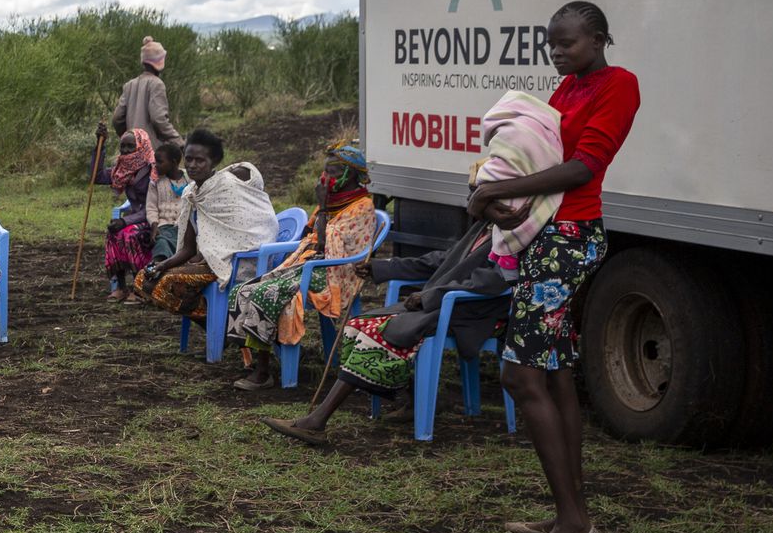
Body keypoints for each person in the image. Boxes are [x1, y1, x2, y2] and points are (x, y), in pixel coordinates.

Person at [468, 2, 639, 533]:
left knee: (520, 374)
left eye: (567, 43)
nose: (557, 53)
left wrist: (495, 194)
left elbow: (584, 167)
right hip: (546, 235)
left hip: (570, 237)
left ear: (599, 38)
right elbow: (531, 151)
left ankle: (574, 524)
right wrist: (494, 182)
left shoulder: (618, 86)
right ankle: (570, 511)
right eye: (552, 45)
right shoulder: (564, 91)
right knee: (556, 372)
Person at [263, 221, 510, 444]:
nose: (471, 200)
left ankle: (317, 421)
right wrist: (381, 268)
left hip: (471, 314)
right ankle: (414, 397)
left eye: (477, 194)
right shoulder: (483, 228)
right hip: (443, 307)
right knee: (357, 325)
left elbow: (491, 282)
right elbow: (439, 261)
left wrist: (429, 296)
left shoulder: (510, 238)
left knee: (376, 335)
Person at [224, 142, 377, 390]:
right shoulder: (332, 201)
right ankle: (261, 361)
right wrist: (323, 209)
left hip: (335, 273)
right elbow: (312, 237)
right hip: (312, 264)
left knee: (265, 294)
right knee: (243, 290)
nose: (326, 177)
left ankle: (264, 373)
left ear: (351, 175)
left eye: (334, 172)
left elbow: (328, 247)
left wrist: (324, 207)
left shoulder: (362, 206)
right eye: (325, 171)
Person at [139, 129, 277, 318]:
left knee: (167, 284)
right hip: (210, 262)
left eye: (200, 160)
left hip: (237, 263)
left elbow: (254, 227)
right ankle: (216, 322)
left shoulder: (227, 186)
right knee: (143, 279)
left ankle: (221, 325)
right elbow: (187, 249)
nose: (193, 165)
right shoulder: (191, 194)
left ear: (214, 162)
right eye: (189, 159)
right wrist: (161, 265)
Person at [99, 36, 181, 157]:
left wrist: (128, 136)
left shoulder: (129, 85)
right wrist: (178, 141)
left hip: (130, 152)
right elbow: (158, 119)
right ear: (160, 62)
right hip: (151, 152)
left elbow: (117, 118)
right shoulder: (157, 84)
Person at [104, 130, 155, 301]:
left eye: (130, 146)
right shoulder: (122, 168)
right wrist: (100, 144)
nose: (125, 151)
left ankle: (139, 287)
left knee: (130, 234)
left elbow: (151, 207)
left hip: (153, 219)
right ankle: (120, 286)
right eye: (122, 146)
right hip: (134, 218)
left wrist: (125, 220)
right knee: (113, 233)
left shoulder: (152, 170)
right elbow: (95, 176)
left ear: (141, 146)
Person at [147, 141, 189, 265]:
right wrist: (154, 226)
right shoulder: (156, 182)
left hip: (187, 226)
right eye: (155, 161)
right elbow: (151, 207)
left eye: (160, 162)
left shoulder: (189, 178)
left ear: (174, 162)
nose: (156, 165)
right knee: (162, 242)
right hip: (165, 226)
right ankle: (156, 266)